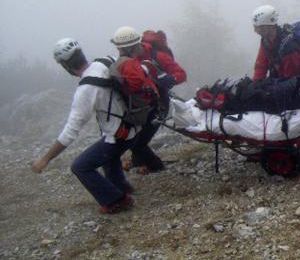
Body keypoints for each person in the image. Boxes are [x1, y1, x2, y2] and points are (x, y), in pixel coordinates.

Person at [31, 38, 138, 214]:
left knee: (80, 166)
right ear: (81, 54)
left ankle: (117, 201)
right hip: (134, 125)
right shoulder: (106, 61)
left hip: (122, 134)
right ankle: (122, 187)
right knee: (107, 150)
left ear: (65, 66)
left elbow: (70, 132)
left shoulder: (86, 89)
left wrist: (45, 159)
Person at [109, 26, 168, 174]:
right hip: (151, 107)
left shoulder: (125, 62)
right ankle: (150, 165)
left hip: (148, 109)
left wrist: (121, 87)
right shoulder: (130, 62)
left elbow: (135, 84)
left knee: (137, 143)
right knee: (136, 142)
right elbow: (138, 83)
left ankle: (156, 167)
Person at [127, 29, 187, 174]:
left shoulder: (159, 57)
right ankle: (139, 162)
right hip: (141, 103)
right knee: (136, 135)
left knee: (138, 140)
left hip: (159, 103)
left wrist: (168, 80)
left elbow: (181, 75)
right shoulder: (130, 58)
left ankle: (155, 166)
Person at [249, 4, 300, 112]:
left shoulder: (289, 46)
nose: (256, 31)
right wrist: (255, 88)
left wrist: (269, 92)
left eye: (259, 28)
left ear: (269, 26)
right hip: (285, 80)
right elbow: (260, 66)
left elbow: (290, 78)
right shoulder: (266, 41)